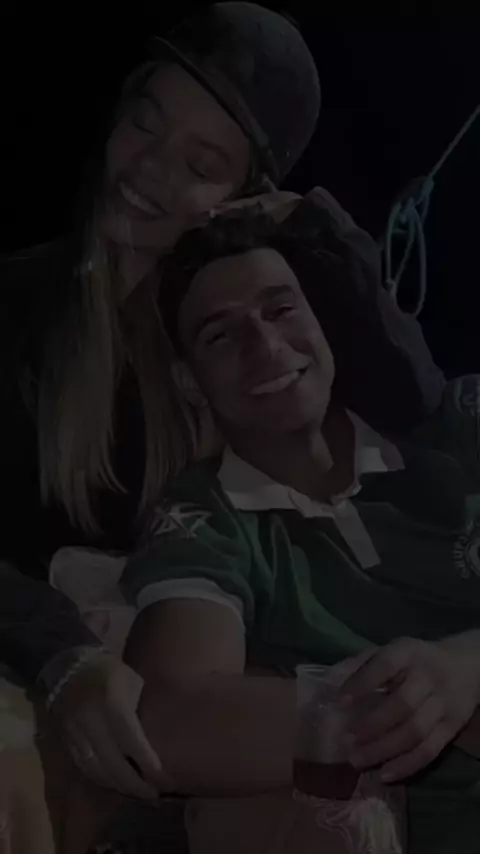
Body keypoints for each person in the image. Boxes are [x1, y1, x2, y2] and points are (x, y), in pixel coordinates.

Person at [0, 0, 443, 817]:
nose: (148, 171)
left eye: (201, 163)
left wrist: (316, 221)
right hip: (51, 682)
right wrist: (62, 656)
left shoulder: (239, 339)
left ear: (240, 198)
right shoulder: (18, 304)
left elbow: (420, 405)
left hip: (220, 700)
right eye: (144, 123)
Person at [121, 207, 480, 854]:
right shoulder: (205, 517)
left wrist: (465, 668)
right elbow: (171, 719)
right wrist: (402, 705)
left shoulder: (461, 428)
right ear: (190, 384)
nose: (264, 346)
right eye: (220, 335)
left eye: (282, 310)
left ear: (323, 324)